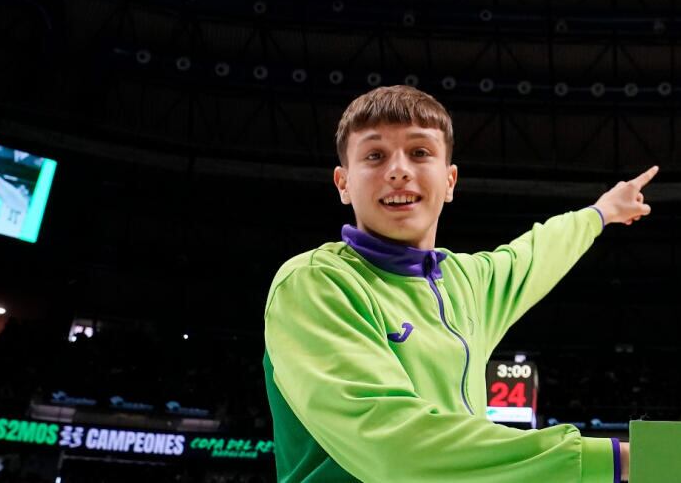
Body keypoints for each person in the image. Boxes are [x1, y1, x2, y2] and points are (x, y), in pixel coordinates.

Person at [264, 85, 656, 482]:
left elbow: (537, 253)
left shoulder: (466, 283)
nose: (398, 170)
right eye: (375, 155)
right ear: (343, 183)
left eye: (419, 152)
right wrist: (610, 460)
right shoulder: (315, 284)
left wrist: (602, 212)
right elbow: (397, 450)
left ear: (450, 180)